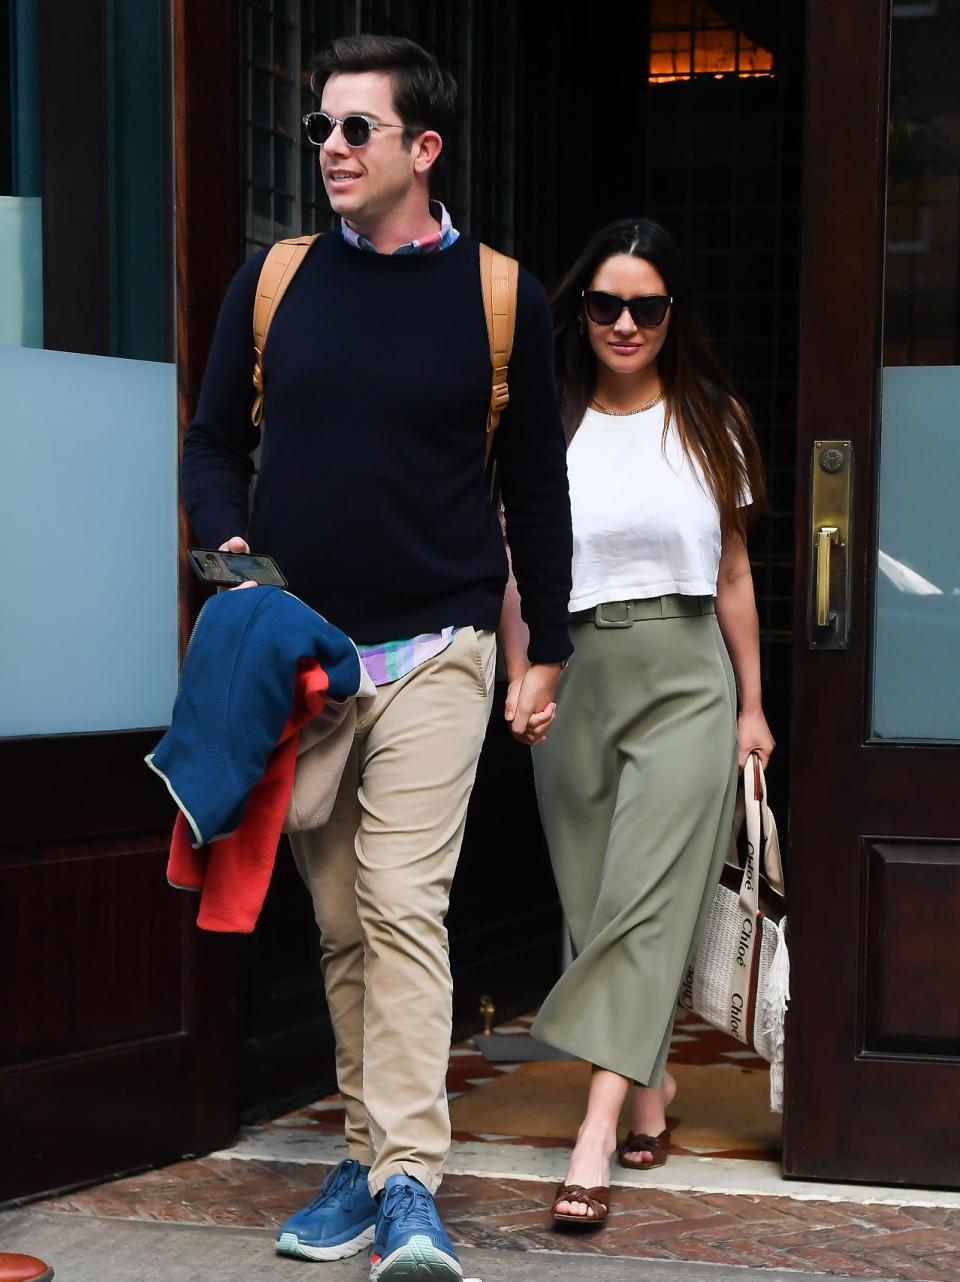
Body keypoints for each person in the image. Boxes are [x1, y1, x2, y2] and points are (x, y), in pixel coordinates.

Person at [180, 32, 572, 1282]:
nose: (334, 151)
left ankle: (409, 1181)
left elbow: (537, 491)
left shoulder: (503, 298)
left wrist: (545, 646)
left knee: (405, 905)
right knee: (343, 918)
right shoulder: (277, 281)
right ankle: (365, 1150)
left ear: (423, 148)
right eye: (324, 131)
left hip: (442, 650)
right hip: (306, 654)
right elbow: (209, 446)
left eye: (359, 130)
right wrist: (231, 547)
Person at [499, 217, 774, 1225]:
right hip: (574, 671)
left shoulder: (714, 420)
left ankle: (595, 1133)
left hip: (686, 678)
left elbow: (735, 574)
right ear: (580, 312)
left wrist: (750, 705)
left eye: (646, 306)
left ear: (673, 315)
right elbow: (520, 569)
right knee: (594, 899)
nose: (624, 322)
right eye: (605, 304)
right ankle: (652, 1091)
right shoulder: (544, 423)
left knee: (648, 895)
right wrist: (522, 675)